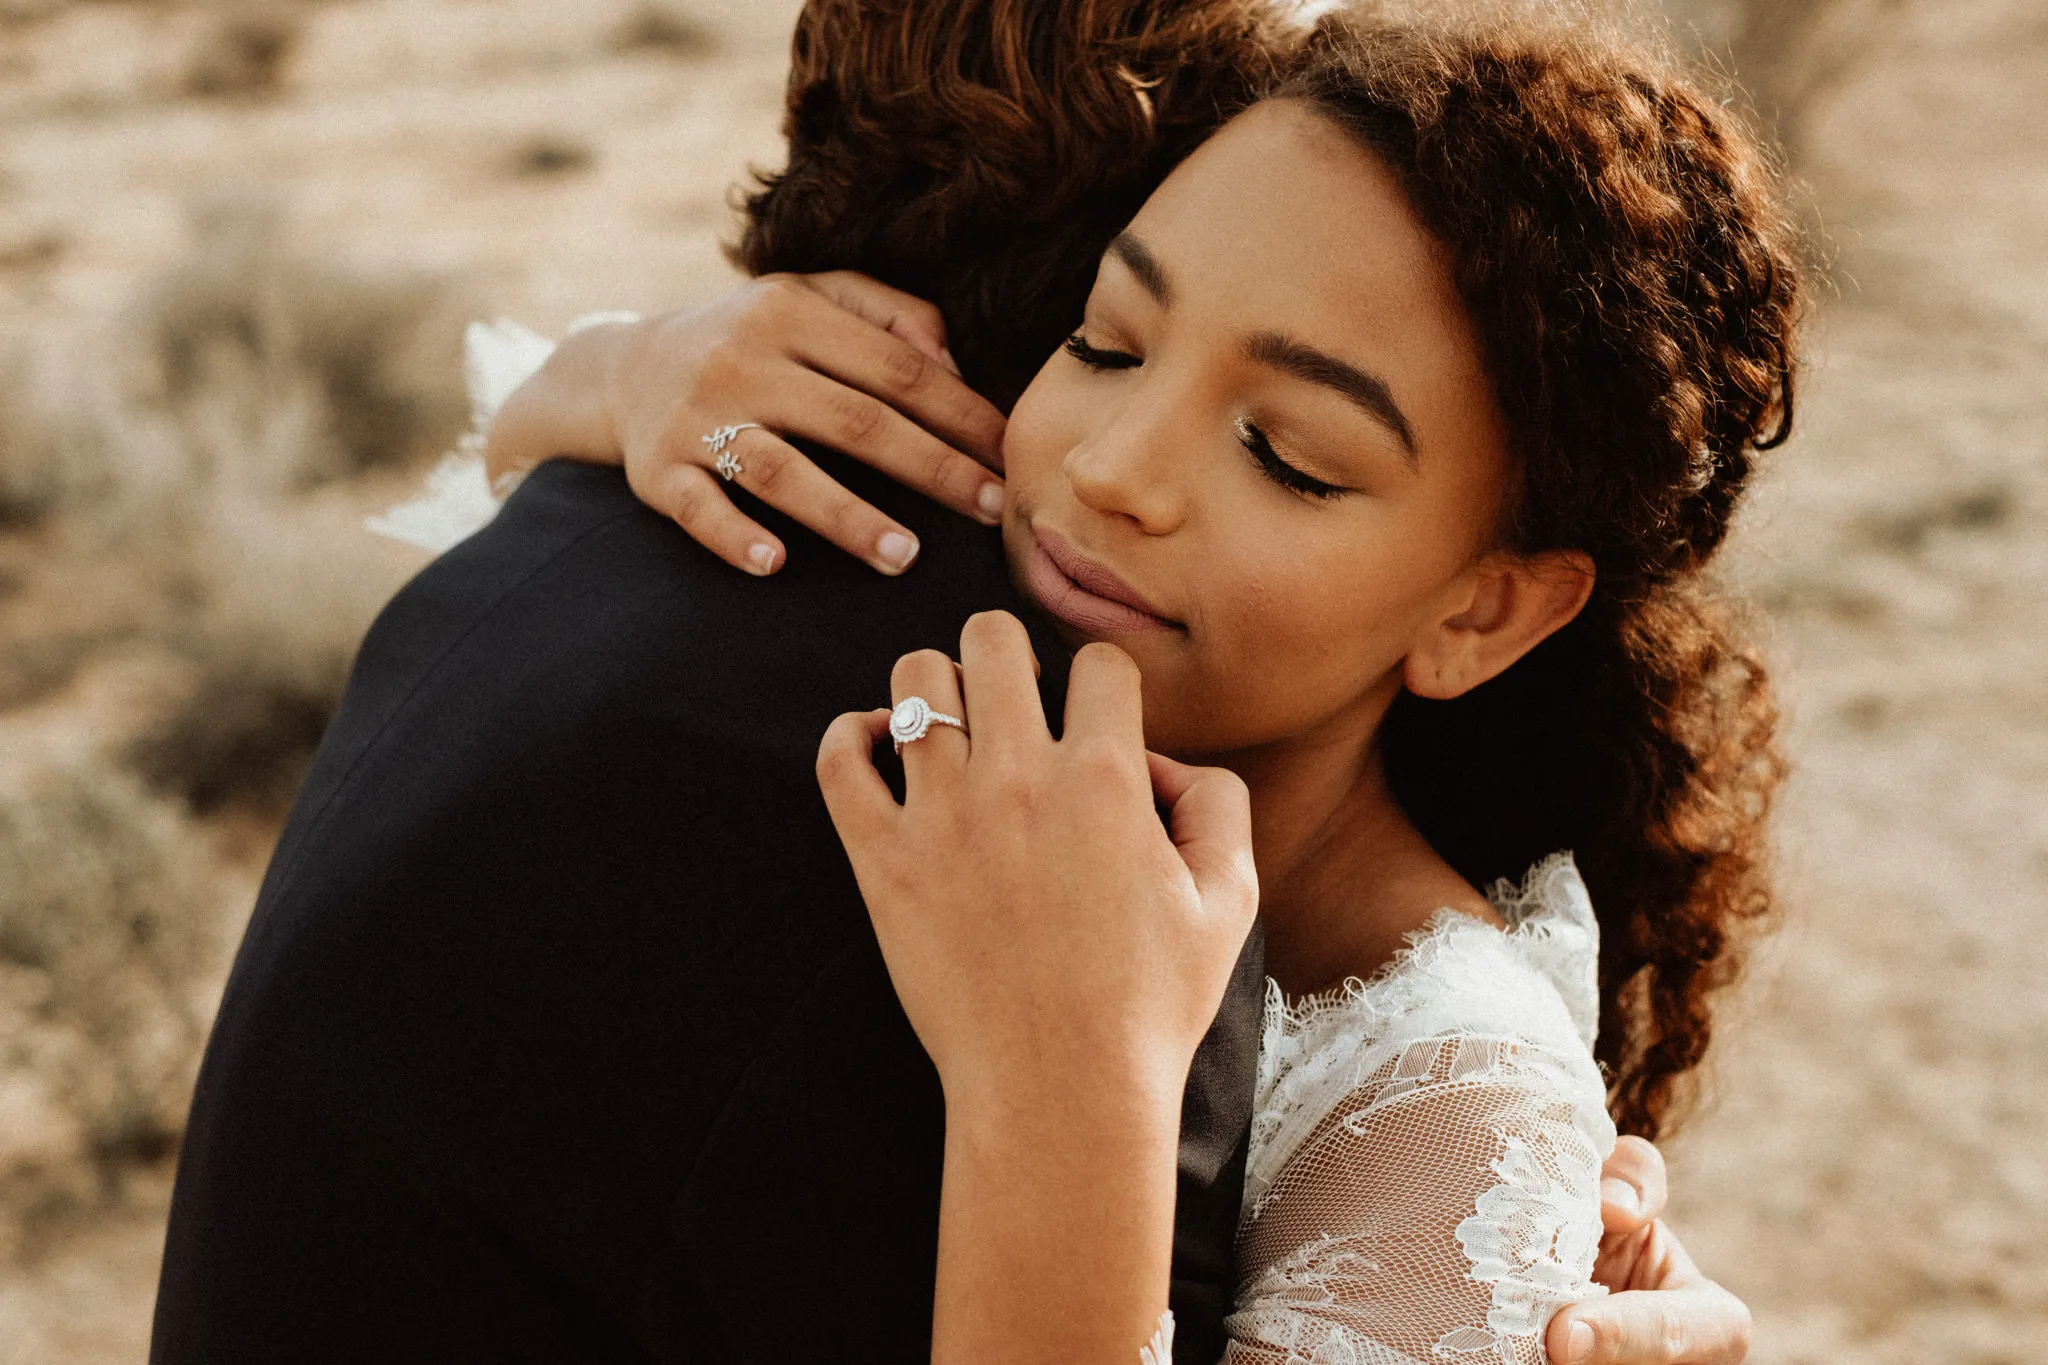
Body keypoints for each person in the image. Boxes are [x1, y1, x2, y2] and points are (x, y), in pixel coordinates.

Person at [154, 5, 1771, 1365]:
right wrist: (615, 373)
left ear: (1485, 612)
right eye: (1110, 345)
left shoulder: (1452, 1116)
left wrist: (1064, 1101)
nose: (1122, 469)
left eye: (1289, 455)